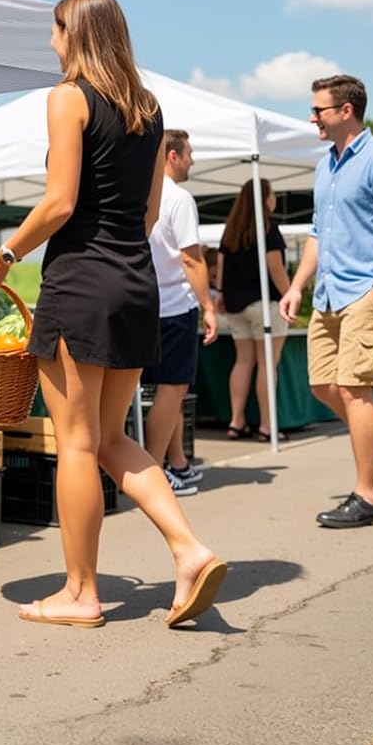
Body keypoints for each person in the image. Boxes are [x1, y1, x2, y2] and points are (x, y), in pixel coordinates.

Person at [0, 0, 225, 629]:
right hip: (136, 283)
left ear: (74, 34)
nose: (51, 43)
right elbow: (147, 213)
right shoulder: (150, 108)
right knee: (110, 439)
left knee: (77, 444)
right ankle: (189, 549)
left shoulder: (67, 98)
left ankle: (80, 594)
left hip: (81, 283)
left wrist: (5, 256)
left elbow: (59, 203)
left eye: (55, 31)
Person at [279, 74, 373, 527]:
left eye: (317, 110)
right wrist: (297, 285)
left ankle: (368, 496)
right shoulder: (326, 166)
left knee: (354, 388)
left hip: (366, 292)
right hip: (327, 293)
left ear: (346, 111)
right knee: (324, 386)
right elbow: (318, 235)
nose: (311, 118)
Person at [143, 130, 217, 494]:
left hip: (145, 306)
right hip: (174, 306)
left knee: (168, 390)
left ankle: (178, 463)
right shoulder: (179, 198)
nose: (192, 161)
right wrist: (208, 306)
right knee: (172, 390)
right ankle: (155, 470)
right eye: (188, 153)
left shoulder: (142, 192)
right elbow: (191, 258)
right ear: (172, 156)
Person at [217, 179, 292, 442]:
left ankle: (236, 421)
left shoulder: (231, 230)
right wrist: (291, 294)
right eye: (272, 194)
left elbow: (222, 266)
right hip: (264, 304)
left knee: (243, 361)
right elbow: (275, 267)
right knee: (267, 364)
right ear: (264, 198)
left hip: (235, 305)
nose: (274, 198)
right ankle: (266, 426)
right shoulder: (268, 228)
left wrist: (221, 294)